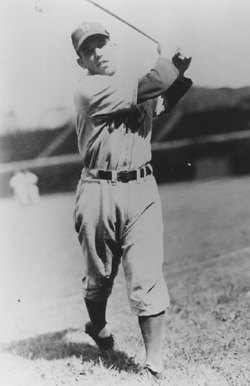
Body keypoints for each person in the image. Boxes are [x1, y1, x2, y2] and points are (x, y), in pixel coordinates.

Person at [71, 22, 192, 382]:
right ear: (81, 61)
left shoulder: (132, 88)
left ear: (114, 45)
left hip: (142, 188)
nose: (98, 53)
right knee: (99, 278)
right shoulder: (88, 88)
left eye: (102, 44)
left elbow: (161, 102)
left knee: (147, 275)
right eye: (89, 50)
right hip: (98, 191)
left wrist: (180, 72)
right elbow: (152, 84)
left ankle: (153, 363)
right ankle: (98, 325)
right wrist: (168, 58)